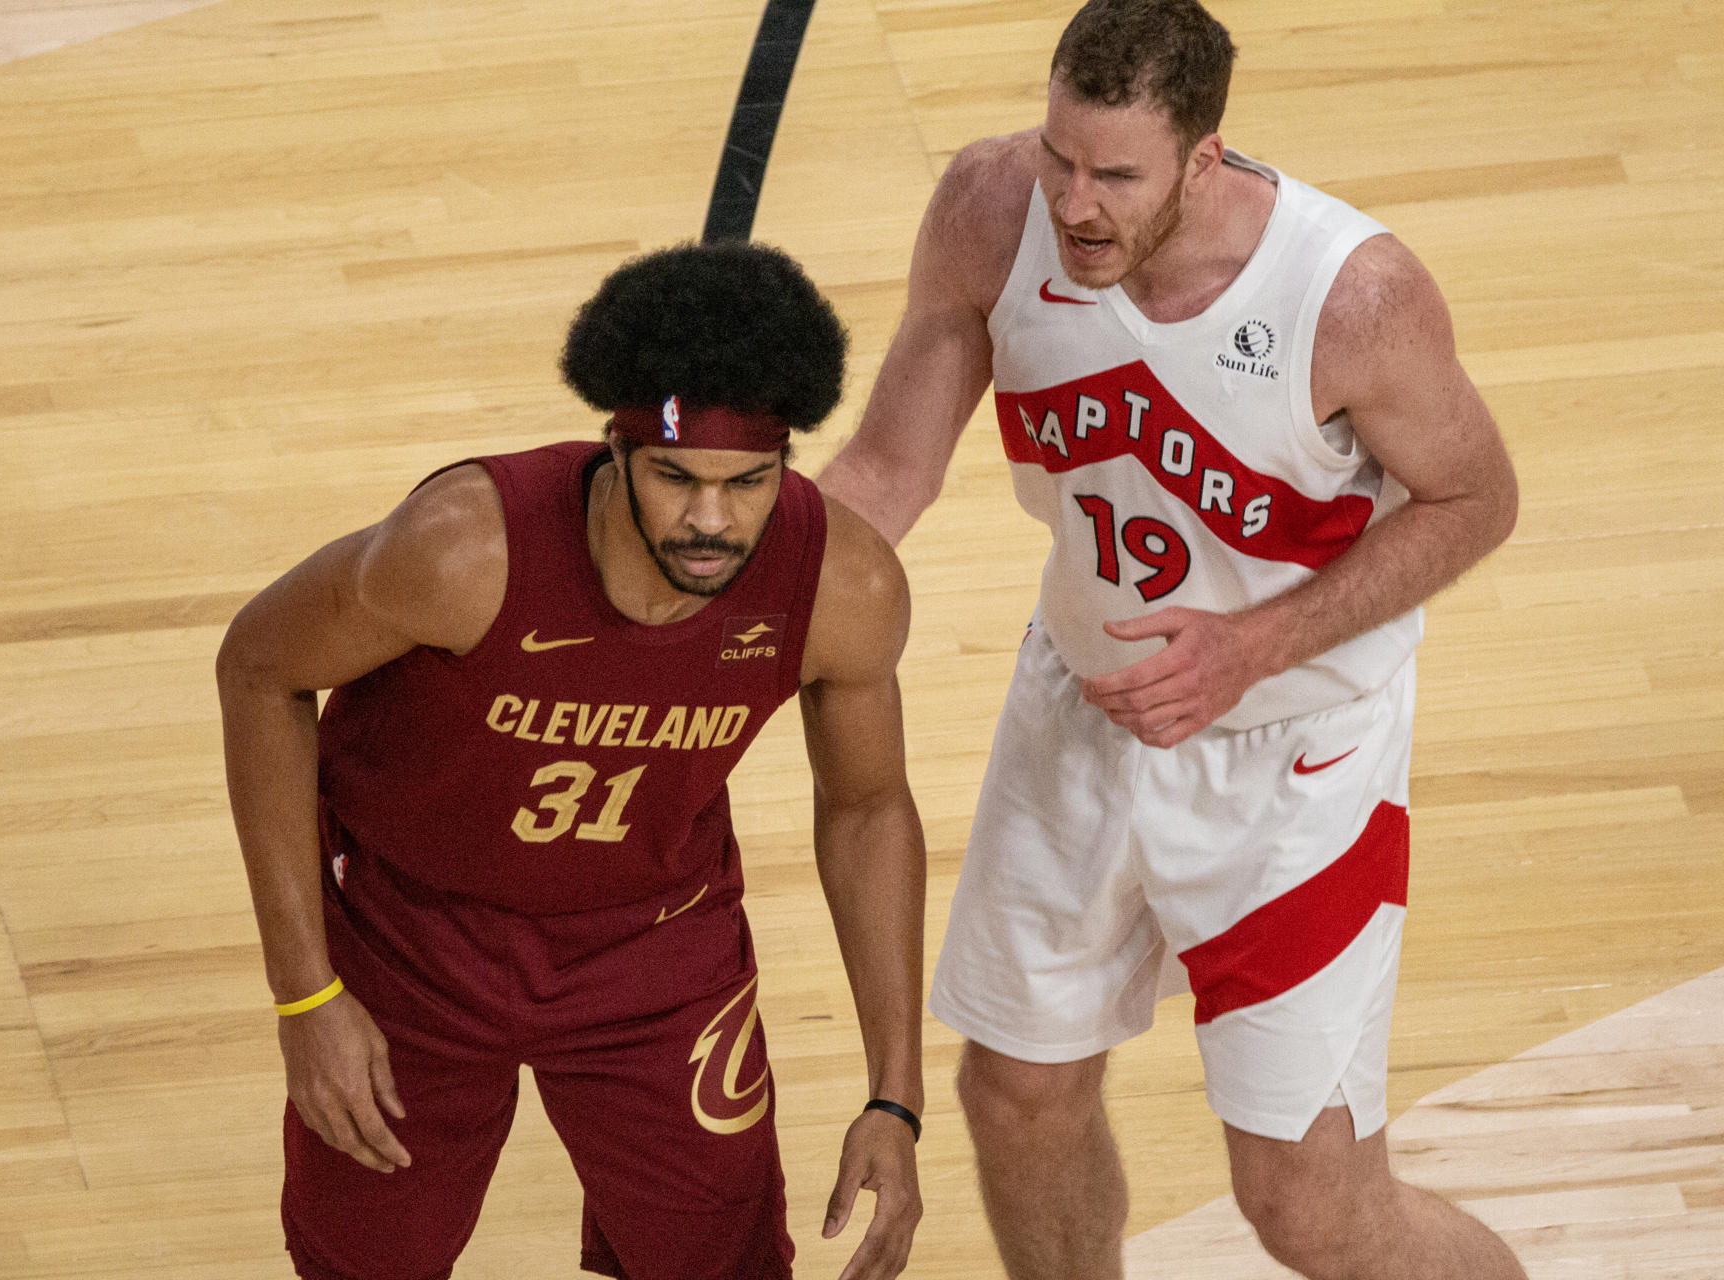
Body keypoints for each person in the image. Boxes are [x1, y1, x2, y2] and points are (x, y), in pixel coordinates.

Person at [817, 2, 1523, 1277]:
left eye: (1116, 175)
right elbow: (882, 473)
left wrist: (1256, 644)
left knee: (1308, 1206)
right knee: (1016, 1098)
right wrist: (722, 615)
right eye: (1060, 157)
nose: (1075, 204)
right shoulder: (990, 208)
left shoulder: (1351, 295)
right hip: (1080, 707)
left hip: (1290, 751)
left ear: (1203, 159)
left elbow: (1478, 499)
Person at [216, 241, 926, 1280]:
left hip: (654, 951)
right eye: (678, 476)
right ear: (618, 448)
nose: (712, 520)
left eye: (749, 482)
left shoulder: (842, 586)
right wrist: (305, 995)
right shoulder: (462, 552)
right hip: (414, 936)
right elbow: (258, 669)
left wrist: (892, 1093)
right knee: (368, 1263)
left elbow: (868, 807)